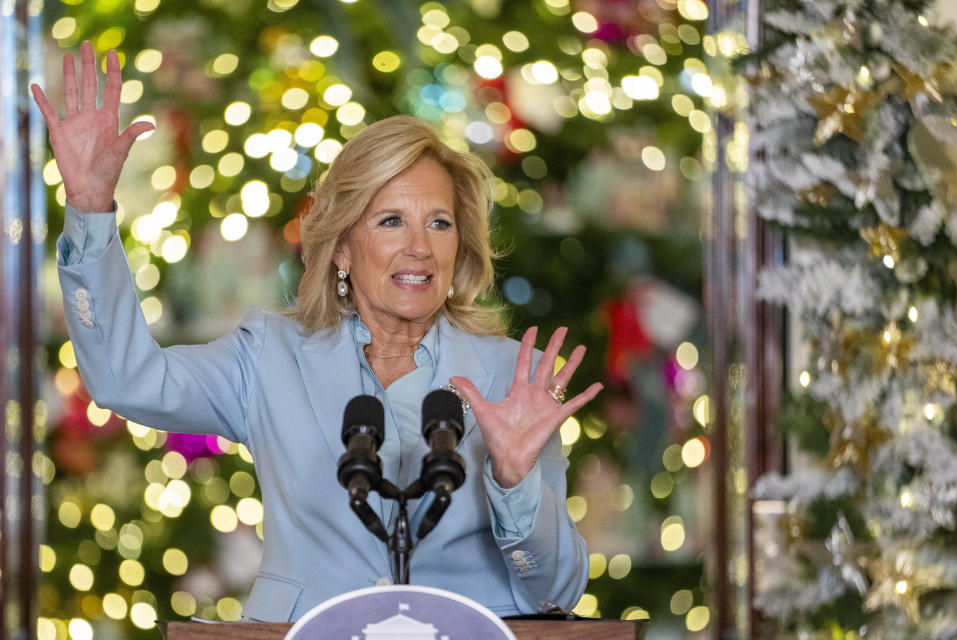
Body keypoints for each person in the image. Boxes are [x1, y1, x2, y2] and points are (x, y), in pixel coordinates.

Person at [33, 41, 603, 622]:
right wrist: (88, 207)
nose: (420, 248)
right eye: (390, 221)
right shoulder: (267, 356)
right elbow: (126, 380)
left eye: (439, 223)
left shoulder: (511, 376)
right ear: (342, 251)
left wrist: (515, 481)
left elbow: (555, 592)